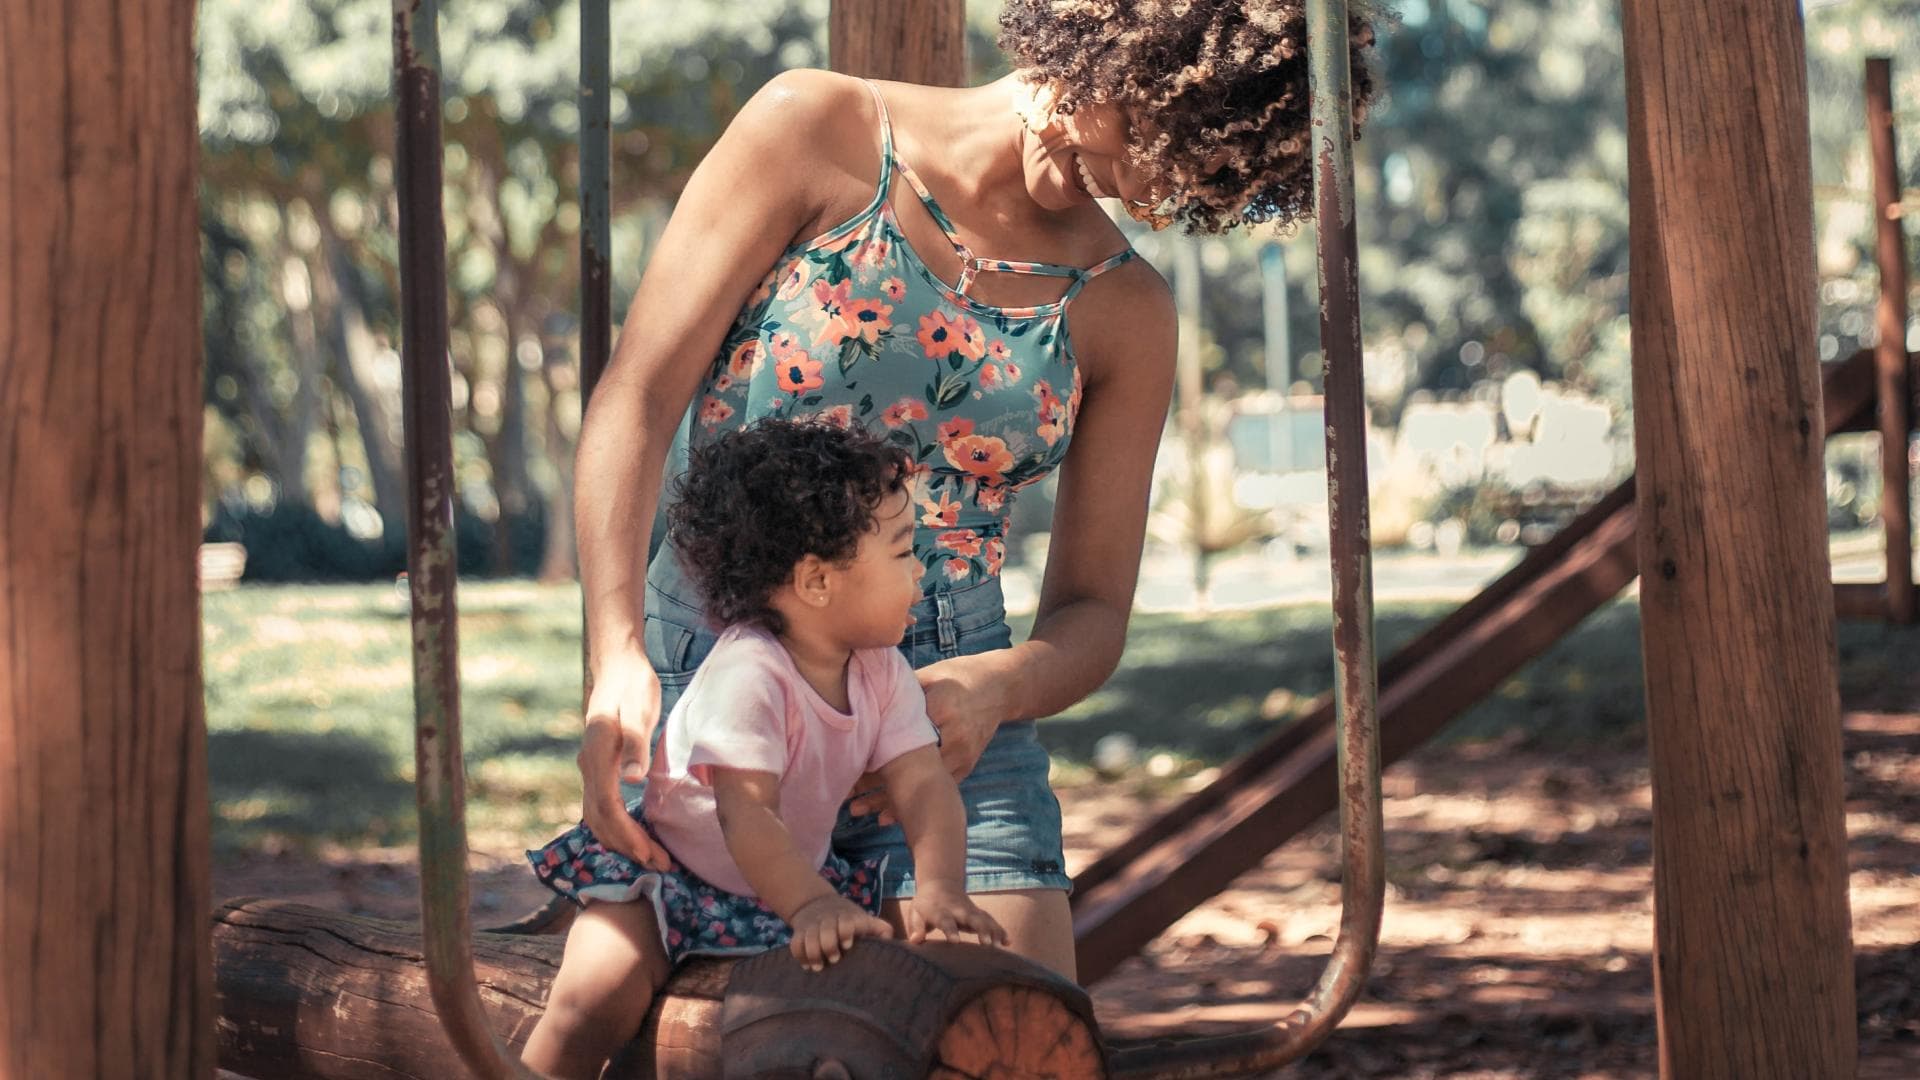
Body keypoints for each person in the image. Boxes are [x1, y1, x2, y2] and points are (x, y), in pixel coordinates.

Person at [571, 0, 1379, 983]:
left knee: (1016, 1026)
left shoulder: (1127, 308)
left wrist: (998, 688)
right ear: (1110, 33)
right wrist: (616, 653)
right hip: (719, 664)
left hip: (947, 706)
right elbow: (638, 398)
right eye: (1146, 135)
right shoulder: (815, 132)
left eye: (1186, 180)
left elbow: (1094, 610)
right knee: (658, 1011)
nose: (1145, 192)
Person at [523, 419, 1009, 1079]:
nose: (919, 573)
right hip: (673, 878)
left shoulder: (880, 669)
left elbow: (923, 783)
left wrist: (942, 887)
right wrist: (812, 906)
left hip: (786, 883)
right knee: (592, 1000)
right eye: (902, 552)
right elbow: (745, 813)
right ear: (816, 582)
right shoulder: (750, 674)